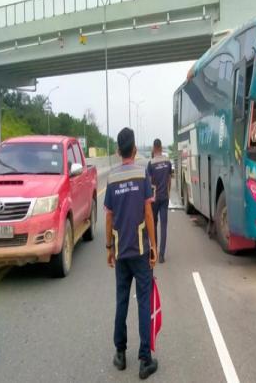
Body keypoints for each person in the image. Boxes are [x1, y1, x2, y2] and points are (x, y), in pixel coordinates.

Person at [104, 128, 158, 380]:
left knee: (122, 301)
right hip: (140, 250)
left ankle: (120, 353)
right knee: (143, 302)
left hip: (122, 252)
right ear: (135, 149)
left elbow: (108, 216)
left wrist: (108, 248)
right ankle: (145, 360)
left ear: (118, 151)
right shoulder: (142, 174)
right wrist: (154, 246)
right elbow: (148, 213)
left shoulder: (112, 178)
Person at [147, 138, 172, 263]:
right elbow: (169, 179)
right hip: (164, 198)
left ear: (153, 148)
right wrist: (168, 192)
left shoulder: (151, 163)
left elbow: (149, 183)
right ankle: (162, 255)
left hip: (154, 199)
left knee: (154, 224)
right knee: (164, 226)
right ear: (161, 148)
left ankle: (155, 252)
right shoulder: (167, 161)